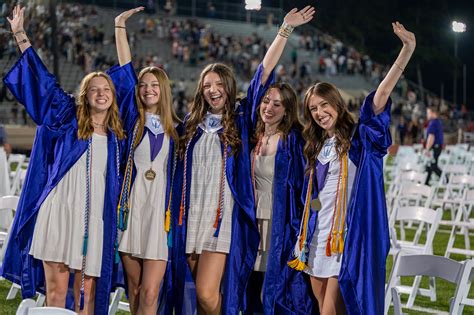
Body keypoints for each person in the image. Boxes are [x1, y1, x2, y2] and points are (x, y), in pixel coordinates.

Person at [175, 6, 315, 314]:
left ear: (228, 87)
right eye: (207, 85)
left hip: (224, 217)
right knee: (196, 292)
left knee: (207, 293)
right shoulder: (190, 125)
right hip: (193, 213)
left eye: (218, 84)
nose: (213, 90)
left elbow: (263, 74)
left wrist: (285, 30)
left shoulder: (240, 118)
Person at [1, 5, 125, 314]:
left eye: (106, 89)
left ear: (113, 96)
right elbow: (42, 81)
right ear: (84, 96)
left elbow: (137, 83)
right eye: (94, 89)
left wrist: (120, 29)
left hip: (94, 219)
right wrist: (20, 34)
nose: (101, 94)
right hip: (59, 212)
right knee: (56, 291)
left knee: (86, 295)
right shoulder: (67, 117)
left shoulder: (117, 137)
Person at [288, 22, 416, 314]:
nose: (319, 113)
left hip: (346, 240)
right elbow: (316, 195)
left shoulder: (359, 140)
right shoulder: (315, 148)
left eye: (323, 105)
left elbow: (379, 100)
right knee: (322, 307)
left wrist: (406, 52)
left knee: (330, 310)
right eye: (313, 110)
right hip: (317, 236)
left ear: (336, 103)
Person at [107, 6, 181, 314]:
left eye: (154, 85)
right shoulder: (131, 120)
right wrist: (119, 27)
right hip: (132, 212)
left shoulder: (179, 130)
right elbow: (124, 71)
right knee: (135, 291)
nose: (148, 89)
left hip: (160, 220)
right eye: (143, 85)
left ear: (162, 90)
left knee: (151, 293)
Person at [246, 83, 314, 313]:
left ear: (287, 110)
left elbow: (303, 189)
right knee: (251, 286)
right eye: (266, 101)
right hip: (251, 223)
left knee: (275, 289)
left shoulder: (293, 141)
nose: (269, 107)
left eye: (277, 104)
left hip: (278, 225)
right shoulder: (253, 137)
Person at [424, 106, 443, 185]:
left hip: (434, 148)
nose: (427, 115)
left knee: (433, 166)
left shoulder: (433, 123)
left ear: (433, 113)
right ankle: (426, 183)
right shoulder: (438, 122)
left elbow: (431, 137)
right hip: (437, 147)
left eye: (428, 113)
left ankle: (446, 179)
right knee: (429, 166)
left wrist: (427, 149)